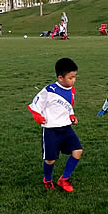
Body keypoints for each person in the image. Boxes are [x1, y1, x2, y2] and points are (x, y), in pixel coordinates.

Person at [27, 58, 82, 192]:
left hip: (66, 128)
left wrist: (72, 116)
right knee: (50, 159)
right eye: (70, 77)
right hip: (51, 130)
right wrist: (38, 117)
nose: (73, 80)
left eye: (74, 77)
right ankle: (47, 178)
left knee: (77, 151)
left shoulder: (72, 90)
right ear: (60, 78)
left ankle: (64, 179)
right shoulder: (49, 90)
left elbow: (69, 106)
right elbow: (35, 105)